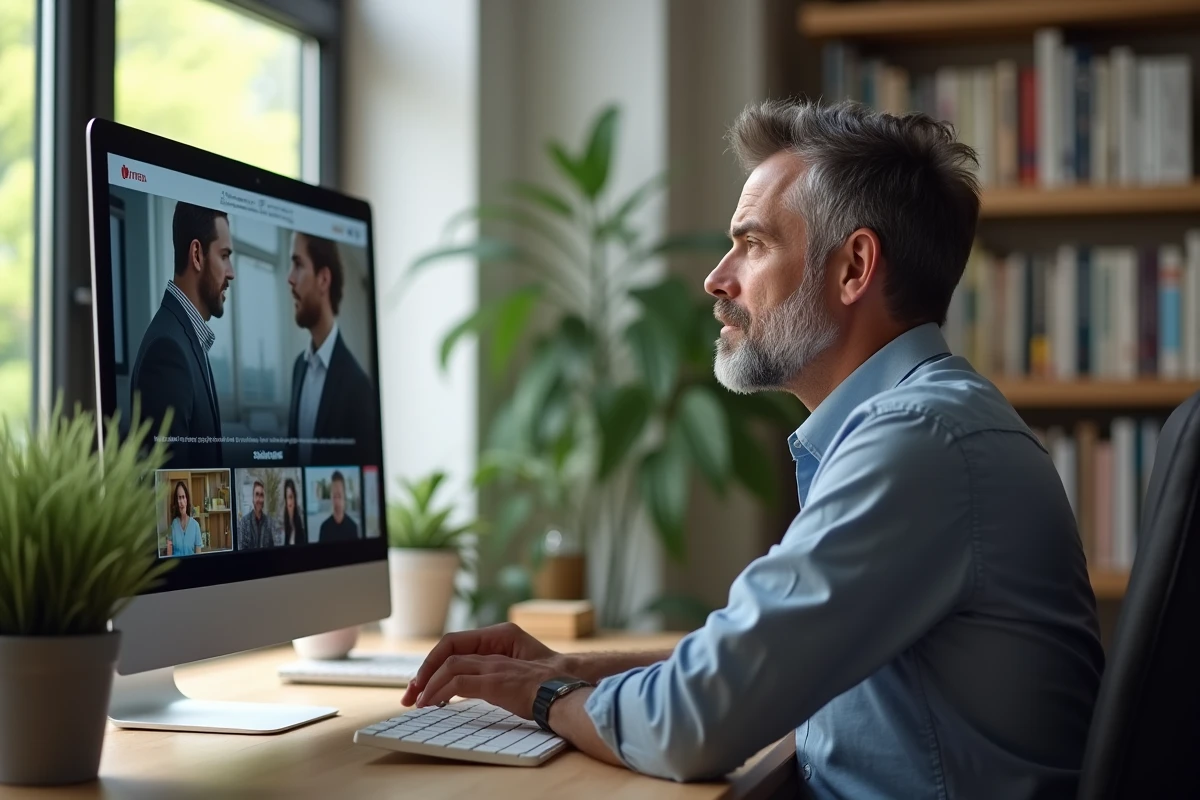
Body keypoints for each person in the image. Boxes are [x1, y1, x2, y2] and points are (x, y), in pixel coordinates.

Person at [398, 100, 1105, 798]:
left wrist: (543, 695)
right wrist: (575, 670)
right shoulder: (924, 424)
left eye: (754, 243)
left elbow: (695, 722)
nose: (717, 278)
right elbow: (758, 664)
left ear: (855, 267)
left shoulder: (918, 442)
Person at [131, 202, 235, 468]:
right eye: (224, 256)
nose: (231, 272)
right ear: (197, 255)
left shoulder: (184, 337)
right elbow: (171, 493)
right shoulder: (168, 350)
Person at [286, 232, 377, 465]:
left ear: (323, 279)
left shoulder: (359, 388)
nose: (290, 278)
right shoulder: (298, 367)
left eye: (298, 265)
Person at [318, 471, 359, 543]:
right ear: (330, 497)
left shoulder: (353, 528)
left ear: (344, 496)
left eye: (339, 496)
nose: (336, 501)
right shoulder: (324, 528)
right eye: (334, 496)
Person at [237, 479, 276, 550]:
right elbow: (241, 552)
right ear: (253, 498)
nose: (259, 499)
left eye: (261, 495)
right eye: (257, 495)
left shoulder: (269, 523)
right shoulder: (244, 523)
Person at [168, 480, 202, 557]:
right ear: (176, 501)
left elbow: (199, 557)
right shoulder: (173, 525)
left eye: (183, 497)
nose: (181, 501)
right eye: (179, 498)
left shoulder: (195, 526)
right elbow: (169, 556)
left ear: (187, 500)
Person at [283, 478, 306, 545]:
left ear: (295, 499)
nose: (289, 503)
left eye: (291, 497)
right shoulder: (286, 526)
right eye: (287, 498)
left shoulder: (300, 529)